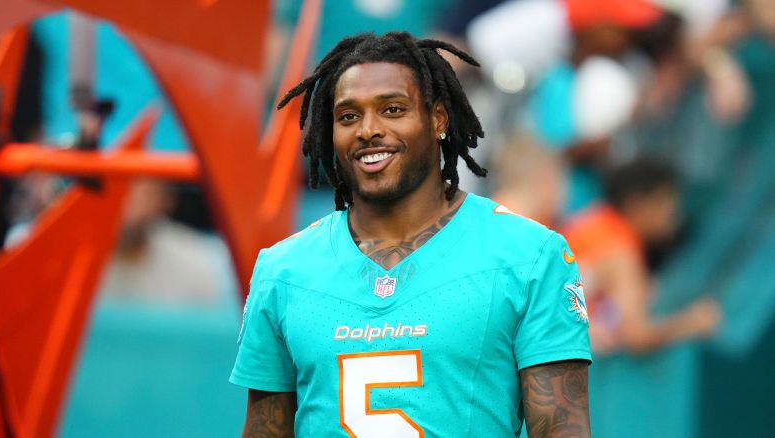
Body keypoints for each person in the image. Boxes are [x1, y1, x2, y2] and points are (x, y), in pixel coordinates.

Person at [230, 32, 591, 437]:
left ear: (437, 118)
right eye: (348, 116)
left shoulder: (530, 256)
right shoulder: (283, 270)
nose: (368, 130)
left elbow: (562, 429)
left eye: (393, 109)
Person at [560, 160, 720, 354]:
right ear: (637, 205)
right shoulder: (620, 250)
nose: (674, 215)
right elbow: (636, 337)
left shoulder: (592, 220)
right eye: (665, 203)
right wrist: (690, 322)